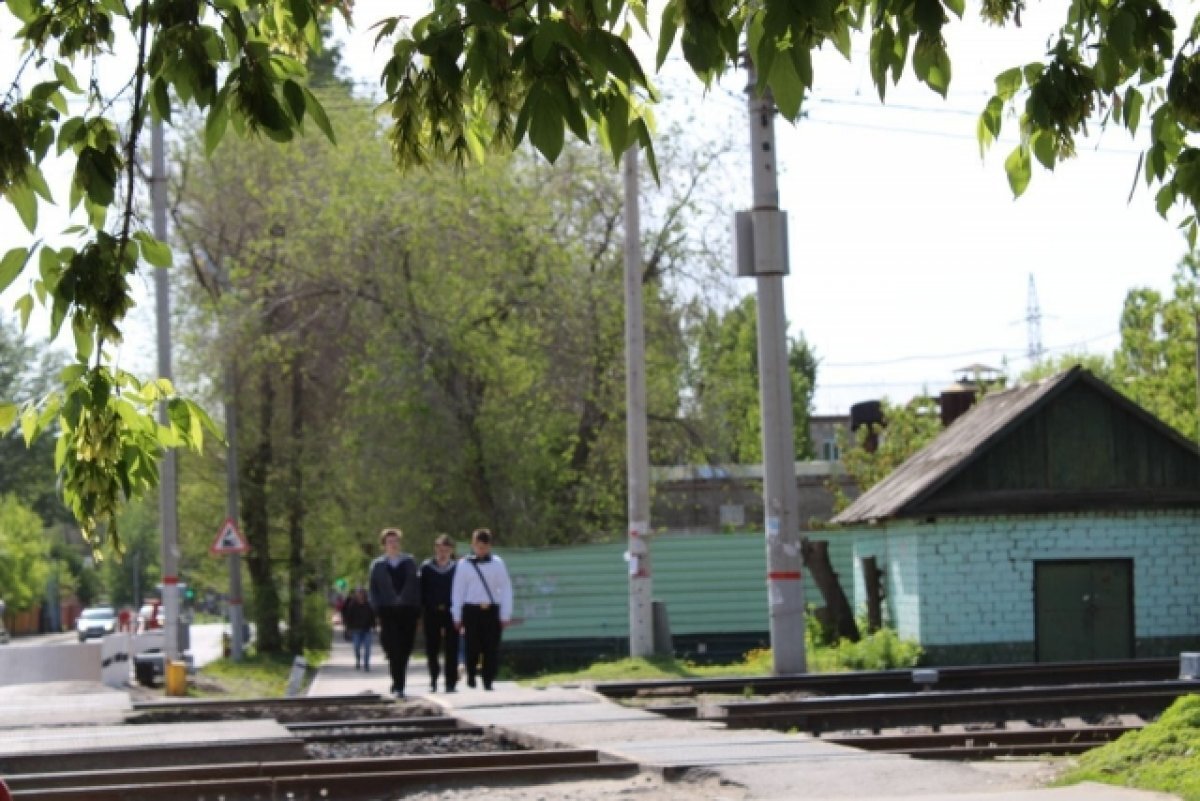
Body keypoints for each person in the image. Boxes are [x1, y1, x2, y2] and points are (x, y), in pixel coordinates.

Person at [451, 528, 513, 691]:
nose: (481, 550)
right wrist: (456, 614)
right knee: (472, 646)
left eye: (484, 546)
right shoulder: (464, 565)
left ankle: (488, 679)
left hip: (491, 610)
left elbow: (505, 588)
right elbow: (458, 591)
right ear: (473, 545)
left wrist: (505, 613)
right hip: (471, 610)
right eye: (478, 546)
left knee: (491, 647)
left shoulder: (497, 563)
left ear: (490, 546)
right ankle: (471, 674)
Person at [367, 527, 421, 698]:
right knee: (392, 648)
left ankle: (400, 682)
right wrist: (376, 612)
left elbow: (417, 587)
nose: (393, 544)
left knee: (405, 648)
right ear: (384, 545)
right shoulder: (378, 566)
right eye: (390, 542)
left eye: (396, 541)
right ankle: (397, 682)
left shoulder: (409, 562)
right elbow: (373, 590)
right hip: (387, 611)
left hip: (407, 611)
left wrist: (418, 610)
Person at [419, 534, 459, 692]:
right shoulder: (427, 568)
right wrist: (420, 614)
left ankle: (451, 682)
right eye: (440, 549)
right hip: (432, 612)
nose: (442, 552)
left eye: (446, 549)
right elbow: (421, 591)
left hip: (451, 612)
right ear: (436, 549)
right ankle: (434, 679)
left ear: (451, 550)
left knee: (452, 648)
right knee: (432, 648)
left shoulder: (457, 568)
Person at [341, 587, 376, 671]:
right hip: (356, 630)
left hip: (367, 630)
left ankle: (366, 664)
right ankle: (358, 660)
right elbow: (348, 617)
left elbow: (373, 616)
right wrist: (348, 628)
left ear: (364, 594)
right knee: (356, 647)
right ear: (356, 595)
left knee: (367, 648)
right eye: (358, 593)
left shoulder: (368, 604)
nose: (360, 595)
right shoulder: (352, 605)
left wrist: (374, 626)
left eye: (361, 593)